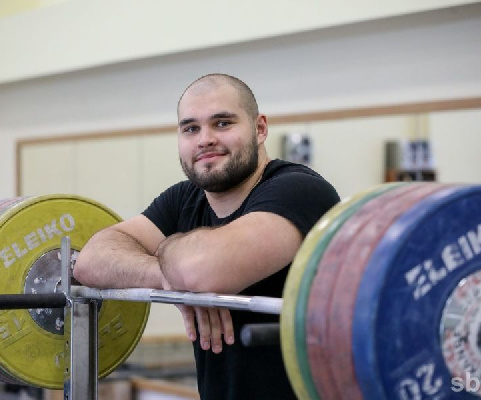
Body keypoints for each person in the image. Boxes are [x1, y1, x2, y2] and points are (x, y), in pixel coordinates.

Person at [73, 73, 340, 399]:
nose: (205, 139)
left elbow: (201, 270)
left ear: (260, 129)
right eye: (191, 128)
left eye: (223, 123)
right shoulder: (183, 199)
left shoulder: (299, 190)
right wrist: (172, 280)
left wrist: (178, 260)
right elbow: (90, 260)